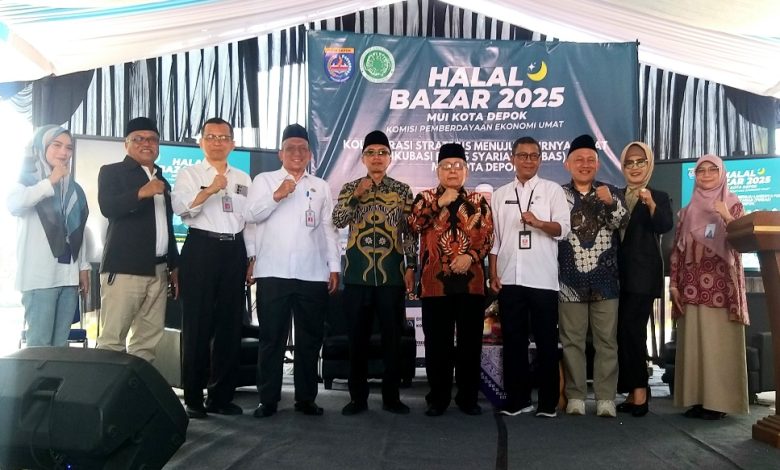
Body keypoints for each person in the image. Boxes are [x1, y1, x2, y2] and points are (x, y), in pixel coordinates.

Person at [246, 124, 340, 418]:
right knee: (271, 338)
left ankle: (306, 398)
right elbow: (250, 216)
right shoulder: (264, 181)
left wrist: (334, 266)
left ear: (310, 154)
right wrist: (277, 195)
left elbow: (329, 229)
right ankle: (268, 399)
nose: (297, 153)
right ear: (280, 153)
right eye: (290, 148)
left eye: (302, 149)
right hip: (273, 272)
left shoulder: (320, 186)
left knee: (309, 339)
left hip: (312, 273)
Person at [171, 118, 255, 419]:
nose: (217, 142)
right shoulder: (190, 173)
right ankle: (193, 397)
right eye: (211, 137)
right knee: (197, 325)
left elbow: (249, 221)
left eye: (223, 137)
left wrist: (251, 257)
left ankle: (221, 396)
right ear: (201, 142)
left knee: (230, 326)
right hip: (201, 248)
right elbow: (181, 209)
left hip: (234, 250)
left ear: (232, 143)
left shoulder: (243, 177)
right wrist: (209, 190)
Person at [332, 130, 417, 416]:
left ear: (390, 158)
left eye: (382, 152)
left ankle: (392, 397)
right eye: (371, 153)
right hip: (358, 275)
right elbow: (338, 220)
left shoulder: (402, 191)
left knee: (392, 338)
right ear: (363, 158)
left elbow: (409, 233)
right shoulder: (350, 187)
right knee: (357, 338)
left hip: (391, 275)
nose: (377, 157)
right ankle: (358, 398)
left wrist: (411, 266)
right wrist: (356, 196)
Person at [408, 143, 494, 417]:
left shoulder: (478, 201)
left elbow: (488, 237)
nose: (452, 171)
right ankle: (438, 398)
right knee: (437, 345)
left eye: (458, 166)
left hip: (471, 283)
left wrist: (470, 255)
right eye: (446, 166)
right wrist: (439, 203)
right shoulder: (424, 198)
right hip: (435, 284)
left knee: (470, 344)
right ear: (438, 171)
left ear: (466, 171)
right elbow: (413, 226)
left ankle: (468, 398)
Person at [488, 136, 570, 418]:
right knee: (513, 342)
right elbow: (495, 240)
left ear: (540, 159)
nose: (528, 160)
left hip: (543, 278)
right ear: (512, 158)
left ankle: (548, 403)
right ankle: (518, 400)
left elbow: (563, 230)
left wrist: (539, 222)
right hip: (510, 277)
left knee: (547, 342)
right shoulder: (500, 194)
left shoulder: (552, 190)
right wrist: (493, 272)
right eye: (522, 155)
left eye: (534, 156)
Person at [670, 154, 749, 420]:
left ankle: (719, 403)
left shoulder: (733, 204)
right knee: (694, 344)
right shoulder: (687, 211)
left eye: (712, 170)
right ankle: (697, 399)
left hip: (721, 288)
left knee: (718, 345)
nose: (705, 175)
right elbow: (677, 251)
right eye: (700, 170)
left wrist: (726, 216)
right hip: (691, 287)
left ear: (722, 173)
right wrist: (674, 285)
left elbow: (742, 243)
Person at [96, 117, 179, 362]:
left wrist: (174, 265)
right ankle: (108, 389)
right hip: (125, 269)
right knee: (112, 341)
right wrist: (141, 192)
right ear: (126, 144)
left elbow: (167, 227)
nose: (146, 143)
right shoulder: (112, 171)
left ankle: (137, 388)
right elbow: (108, 207)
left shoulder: (162, 179)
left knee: (147, 344)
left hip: (159, 270)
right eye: (138, 139)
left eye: (152, 139)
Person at [558, 134, 628, 418]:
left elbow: (622, 222)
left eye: (590, 160)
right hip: (568, 281)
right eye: (579, 160)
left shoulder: (611, 192)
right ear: (567, 164)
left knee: (606, 342)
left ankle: (605, 398)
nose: (584, 164)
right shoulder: (557, 195)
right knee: (572, 341)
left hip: (606, 281)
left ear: (597, 164)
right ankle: (575, 396)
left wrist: (610, 203)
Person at [8, 126, 90, 347]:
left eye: (69, 147)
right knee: (39, 345)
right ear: (41, 147)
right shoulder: (27, 182)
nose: (64, 152)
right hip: (40, 277)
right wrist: (49, 182)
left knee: (60, 346)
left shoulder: (74, 189)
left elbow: (78, 231)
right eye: (56, 145)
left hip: (68, 277)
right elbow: (14, 205)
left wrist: (83, 267)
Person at [615, 142, 673, 417]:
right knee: (622, 334)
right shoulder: (615, 195)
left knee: (632, 332)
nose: (635, 167)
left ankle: (640, 393)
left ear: (649, 164)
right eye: (629, 162)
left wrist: (650, 203)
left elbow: (664, 225)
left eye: (640, 162)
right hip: (616, 277)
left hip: (643, 277)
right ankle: (632, 391)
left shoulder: (658, 195)